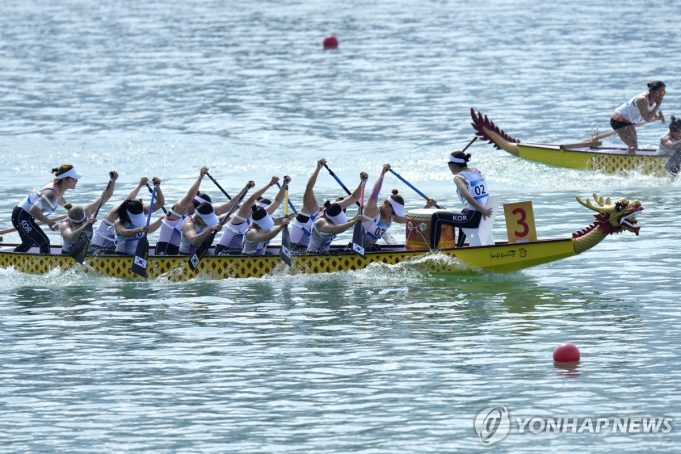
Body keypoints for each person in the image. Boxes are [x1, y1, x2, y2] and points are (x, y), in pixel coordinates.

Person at [11, 164, 83, 253]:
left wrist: (72, 210)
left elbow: (60, 200)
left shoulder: (59, 188)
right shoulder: (51, 193)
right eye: (74, 179)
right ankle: (44, 263)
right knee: (44, 243)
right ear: (65, 179)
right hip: (21, 216)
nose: (76, 181)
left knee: (29, 242)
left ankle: (13, 259)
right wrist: (50, 223)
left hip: (24, 216)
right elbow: (34, 209)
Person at [430, 151, 493, 249]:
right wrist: (483, 211)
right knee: (464, 211)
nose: (448, 167)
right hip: (482, 215)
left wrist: (483, 211)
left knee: (437, 216)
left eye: (449, 164)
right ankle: (459, 247)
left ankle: (433, 250)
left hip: (473, 218)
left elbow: (467, 196)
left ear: (454, 165)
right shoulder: (477, 171)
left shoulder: (458, 178)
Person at [89, 177, 156, 255]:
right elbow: (127, 200)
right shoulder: (114, 214)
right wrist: (140, 185)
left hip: (109, 247)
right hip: (97, 247)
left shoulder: (125, 216)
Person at [214, 176, 281, 255]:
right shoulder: (239, 218)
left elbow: (277, 202)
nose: (260, 213)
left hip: (240, 251)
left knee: (268, 254)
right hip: (224, 251)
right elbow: (252, 198)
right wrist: (270, 184)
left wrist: (284, 185)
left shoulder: (261, 218)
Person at [306, 172, 367, 253]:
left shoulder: (336, 206)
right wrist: (355, 221)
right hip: (313, 254)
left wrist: (363, 182)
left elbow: (354, 197)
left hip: (326, 252)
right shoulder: (321, 222)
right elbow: (336, 229)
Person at [155, 166, 209, 255]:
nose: (197, 209)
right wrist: (200, 178)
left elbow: (224, 208)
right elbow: (189, 197)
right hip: (164, 253)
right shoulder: (176, 211)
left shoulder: (190, 217)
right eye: (196, 205)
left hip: (177, 253)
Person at [361, 164, 408, 250]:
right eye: (393, 212)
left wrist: (427, 207)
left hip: (370, 249)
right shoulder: (372, 210)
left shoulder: (392, 217)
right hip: (358, 249)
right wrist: (383, 173)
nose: (393, 214)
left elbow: (412, 219)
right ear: (386, 205)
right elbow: (375, 192)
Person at [610, 80, 666, 154]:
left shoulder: (654, 98)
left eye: (663, 93)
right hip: (619, 120)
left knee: (634, 146)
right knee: (633, 146)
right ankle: (626, 161)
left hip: (629, 122)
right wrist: (658, 104)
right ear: (652, 91)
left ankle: (628, 157)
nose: (661, 95)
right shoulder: (642, 100)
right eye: (660, 92)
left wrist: (657, 116)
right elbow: (647, 118)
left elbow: (650, 112)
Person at [112, 178, 165, 255]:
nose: (141, 201)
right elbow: (125, 233)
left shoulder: (141, 211)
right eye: (139, 201)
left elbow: (160, 203)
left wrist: (157, 187)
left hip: (139, 254)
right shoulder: (119, 222)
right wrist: (140, 229)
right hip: (122, 256)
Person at [289, 159, 327, 250]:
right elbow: (309, 187)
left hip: (305, 245)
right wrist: (318, 168)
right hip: (294, 245)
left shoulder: (328, 217)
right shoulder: (312, 208)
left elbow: (352, 198)